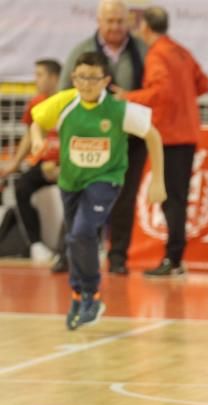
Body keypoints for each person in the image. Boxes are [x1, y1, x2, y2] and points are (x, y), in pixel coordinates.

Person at [31, 51, 165, 330]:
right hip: (71, 181)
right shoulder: (66, 102)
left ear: (105, 80)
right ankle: (78, 293)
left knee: (82, 231)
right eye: (81, 77)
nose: (87, 84)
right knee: (74, 239)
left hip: (106, 179)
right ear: (73, 78)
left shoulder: (119, 109)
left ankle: (92, 294)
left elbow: (153, 135)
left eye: (93, 78)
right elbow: (37, 122)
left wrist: (158, 181)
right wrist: (36, 141)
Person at [118, 6, 208, 278]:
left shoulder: (157, 54)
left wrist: (127, 97)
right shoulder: (180, 51)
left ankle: (173, 258)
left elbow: (160, 93)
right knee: (176, 197)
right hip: (187, 132)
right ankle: (175, 257)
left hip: (170, 135)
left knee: (172, 199)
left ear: (145, 27)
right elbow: (203, 83)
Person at [61, 0, 147, 275]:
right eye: (109, 21)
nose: (115, 27)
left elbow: (154, 91)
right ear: (99, 22)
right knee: (77, 195)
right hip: (88, 140)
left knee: (125, 198)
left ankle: (118, 256)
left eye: (120, 21)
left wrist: (129, 100)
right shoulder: (82, 50)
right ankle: (70, 254)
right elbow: (63, 93)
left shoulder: (143, 51)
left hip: (128, 141)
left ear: (129, 22)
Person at [0, 59, 62, 264]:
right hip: (42, 165)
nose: (36, 80)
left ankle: (69, 246)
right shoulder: (36, 103)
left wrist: (62, 165)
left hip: (66, 166)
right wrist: (15, 163)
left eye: (40, 75)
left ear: (54, 78)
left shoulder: (68, 102)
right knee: (21, 187)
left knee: (82, 192)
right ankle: (36, 244)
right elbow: (28, 136)